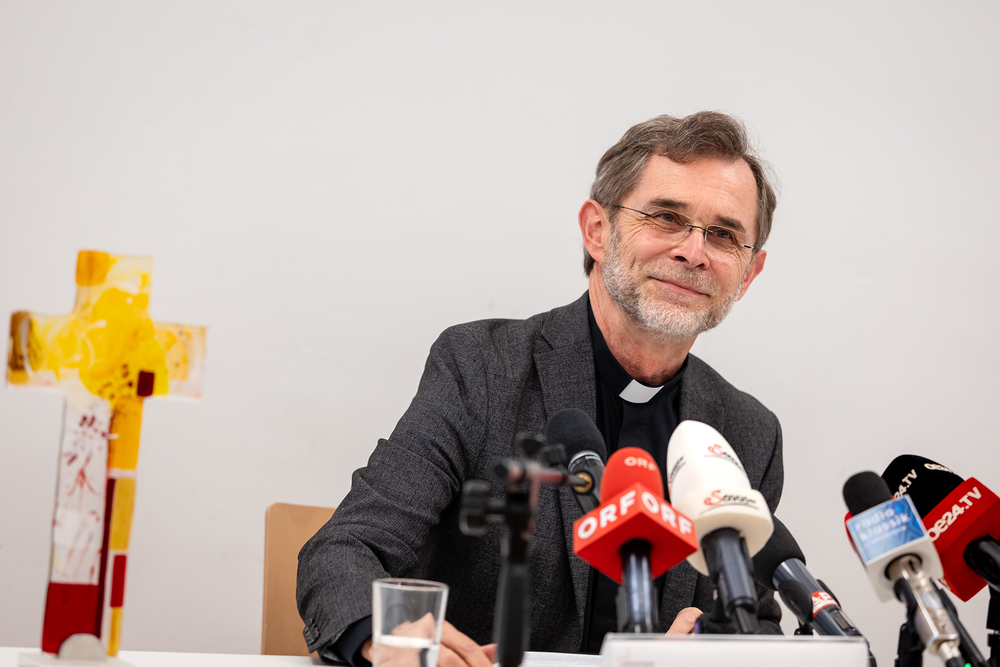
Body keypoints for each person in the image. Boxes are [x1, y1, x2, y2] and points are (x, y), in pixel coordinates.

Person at [297, 111, 784, 667]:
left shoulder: (749, 433)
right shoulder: (483, 367)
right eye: (667, 217)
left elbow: (757, 617)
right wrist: (386, 635)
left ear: (748, 274)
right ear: (597, 231)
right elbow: (345, 549)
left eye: (723, 235)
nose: (693, 251)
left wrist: (717, 645)